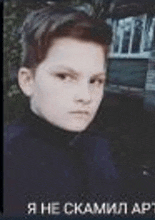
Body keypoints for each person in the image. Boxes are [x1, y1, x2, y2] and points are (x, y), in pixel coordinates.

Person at [4, 5, 119, 216]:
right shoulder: (9, 162)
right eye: (65, 77)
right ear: (27, 81)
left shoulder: (98, 146)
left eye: (96, 80)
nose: (85, 96)